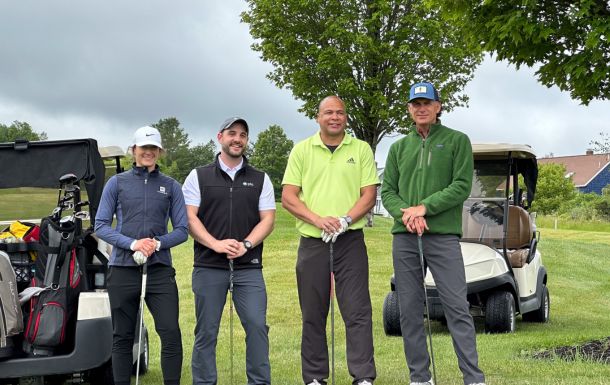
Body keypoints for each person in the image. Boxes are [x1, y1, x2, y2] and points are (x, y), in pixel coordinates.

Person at [380, 82, 486, 385]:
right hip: (405, 237)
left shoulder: (456, 141)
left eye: (427, 103)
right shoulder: (399, 147)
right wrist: (407, 213)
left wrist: (423, 208)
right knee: (409, 310)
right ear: (409, 109)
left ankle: (473, 378)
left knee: (457, 307)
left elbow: (461, 186)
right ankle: (420, 378)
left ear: (438, 107)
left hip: (442, 236)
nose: (421, 108)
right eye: (416, 104)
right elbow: (388, 191)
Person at [282, 95, 378, 385]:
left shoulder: (360, 149)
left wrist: (346, 220)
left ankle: (363, 377)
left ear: (345, 117)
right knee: (313, 311)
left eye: (339, 113)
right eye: (328, 113)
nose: (334, 117)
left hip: (350, 240)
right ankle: (314, 378)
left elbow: (369, 195)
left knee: (357, 309)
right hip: (314, 241)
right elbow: (288, 197)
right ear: (318, 117)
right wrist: (318, 219)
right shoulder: (302, 150)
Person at [182, 117, 275, 385]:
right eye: (232, 133)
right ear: (219, 137)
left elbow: (267, 219)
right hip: (209, 265)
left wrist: (246, 244)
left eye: (243, 135)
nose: (237, 139)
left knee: (257, 326)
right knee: (207, 331)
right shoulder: (198, 175)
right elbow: (190, 218)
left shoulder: (260, 178)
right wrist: (216, 244)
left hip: (249, 267)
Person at [95, 125, 188, 385]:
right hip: (123, 269)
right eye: (144, 148)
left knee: (170, 332)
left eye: (153, 148)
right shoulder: (116, 183)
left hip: (159, 270)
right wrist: (133, 244)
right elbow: (101, 225)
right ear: (134, 150)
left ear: (160, 152)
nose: (148, 152)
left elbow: (182, 230)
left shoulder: (171, 186)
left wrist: (156, 244)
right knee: (122, 336)